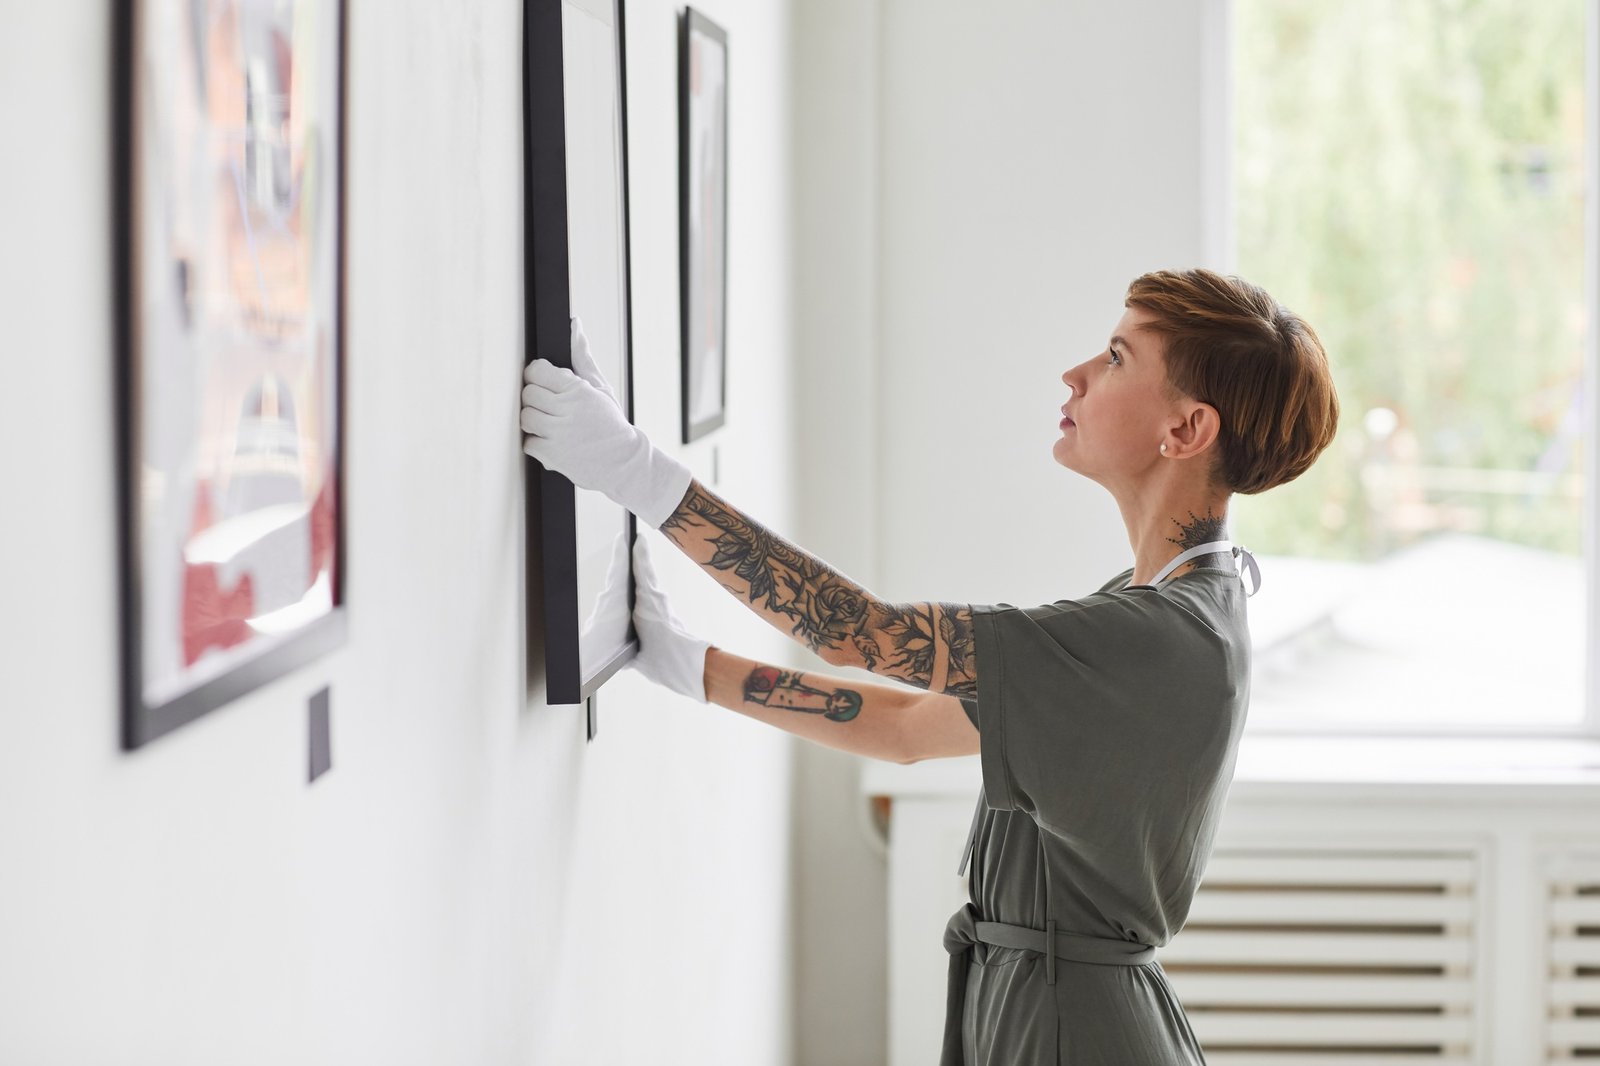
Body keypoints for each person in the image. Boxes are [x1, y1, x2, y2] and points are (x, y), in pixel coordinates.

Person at [520, 268, 1339, 1065]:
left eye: (1118, 357)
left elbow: (856, 631)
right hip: (1044, 1006)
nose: (1077, 373)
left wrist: (639, 474)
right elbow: (909, 729)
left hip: (1072, 1029)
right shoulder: (1166, 602)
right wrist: (690, 663)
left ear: (1186, 431)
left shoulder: (1152, 637)